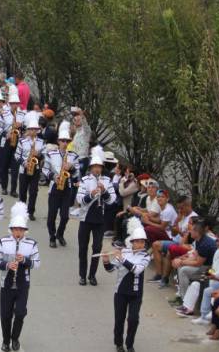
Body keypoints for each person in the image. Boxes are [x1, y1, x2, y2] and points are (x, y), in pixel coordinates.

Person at [0, 201, 41, 352]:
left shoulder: (31, 244)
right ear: (11, 229)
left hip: (22, 285)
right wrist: (7, 265)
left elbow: (37, 263)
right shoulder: (3, 242)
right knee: (6, 315)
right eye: (15, 229)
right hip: (6, 284)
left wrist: (24, 260)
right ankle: (6, 341)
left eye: (21, 229)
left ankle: (15, 338)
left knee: (20, 313)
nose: (18, 233)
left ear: (25, 230)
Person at [102, 227, 151, 352]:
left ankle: (130, 345)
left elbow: (137, 270)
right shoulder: (124, 252)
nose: (140, 244)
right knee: (119, 319)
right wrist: (106, 261)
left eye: (142, 242)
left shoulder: (146, 256)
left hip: (136, 294)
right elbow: (111, 269)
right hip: (120, 292)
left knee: (133, 320)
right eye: (137, 241)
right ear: (132, 242)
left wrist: (122, 258)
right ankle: (119, 344)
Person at [76, 146, 117, 286]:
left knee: (97, 248)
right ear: (91, 168)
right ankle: (82, 275)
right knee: (83, 248)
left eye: (99, 167)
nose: (97, 169)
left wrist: (104, 191)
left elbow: (112, 200)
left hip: (100, 219)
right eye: (94, 167)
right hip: (86, 218)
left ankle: (92, 275)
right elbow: (79, 200)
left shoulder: (107, 180)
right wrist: (91, 194)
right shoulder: (85, 180)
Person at [42, 121, 80, 248]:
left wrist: (71, 168)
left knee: (65, 216)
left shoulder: (73, 156)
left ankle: (60, 234)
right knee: (52, 215)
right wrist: (54, 176)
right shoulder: (51, 154)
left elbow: (77, 174)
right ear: (58, 141)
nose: (65, 143)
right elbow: (45, 169)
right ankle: (52, 236)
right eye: (62, 141)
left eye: (67, 141)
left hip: (67, 188)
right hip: (55, 186)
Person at [14, 111, 45, 220]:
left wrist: (39, 154)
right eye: (31, 129)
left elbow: (44, 155)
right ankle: (22, 210)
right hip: (24, 169)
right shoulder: (22, 141)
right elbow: (17, 155)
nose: (33, 131)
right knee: (22, 191)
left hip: (36, 169)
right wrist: (24, 163)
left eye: (35, 129)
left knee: (33, 192)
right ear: (28, 130)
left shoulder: (41, 142)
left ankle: (30, 212)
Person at [0, 87, 25, 197]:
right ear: (9, 103)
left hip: (18, 142)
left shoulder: (22, 114)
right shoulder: (4, 113)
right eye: (13, 103)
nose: (15, 105)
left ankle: (13, 190)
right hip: (6, 141)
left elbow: (26, 129)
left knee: (15, 167)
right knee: (4, 165)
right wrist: (6, 134)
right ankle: (4, 187)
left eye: (16, 103)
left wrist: (21, 126)